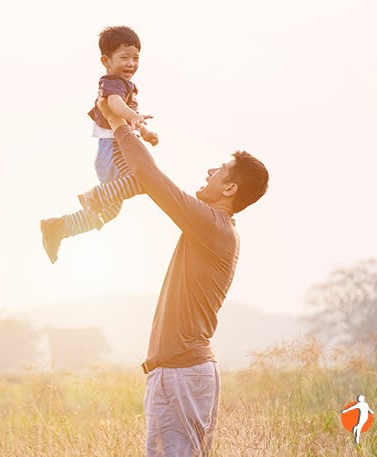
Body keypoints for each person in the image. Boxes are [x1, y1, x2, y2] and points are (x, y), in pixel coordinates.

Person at [96, 97, 269, 456]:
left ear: (230, 189)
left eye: (219, 170)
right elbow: (149, 179)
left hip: (181, 374)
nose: (210, 171)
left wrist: (117, 124)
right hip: (182, 373)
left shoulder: (212, 226)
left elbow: (150, 177)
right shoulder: (213, 228)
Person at [41, 26, 158, 263]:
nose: (131, 64)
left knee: (111, 211)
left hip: (113, 149)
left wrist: (144, 131)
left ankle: (59, 228)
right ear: (106, 60)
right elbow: (115, 104)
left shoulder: (125, 85)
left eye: (136, 58)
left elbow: (126, 113)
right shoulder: (113, 83)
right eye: (124, 57)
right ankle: (94, 196)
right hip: (113, 149)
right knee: (140, 180)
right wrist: (134, 118)